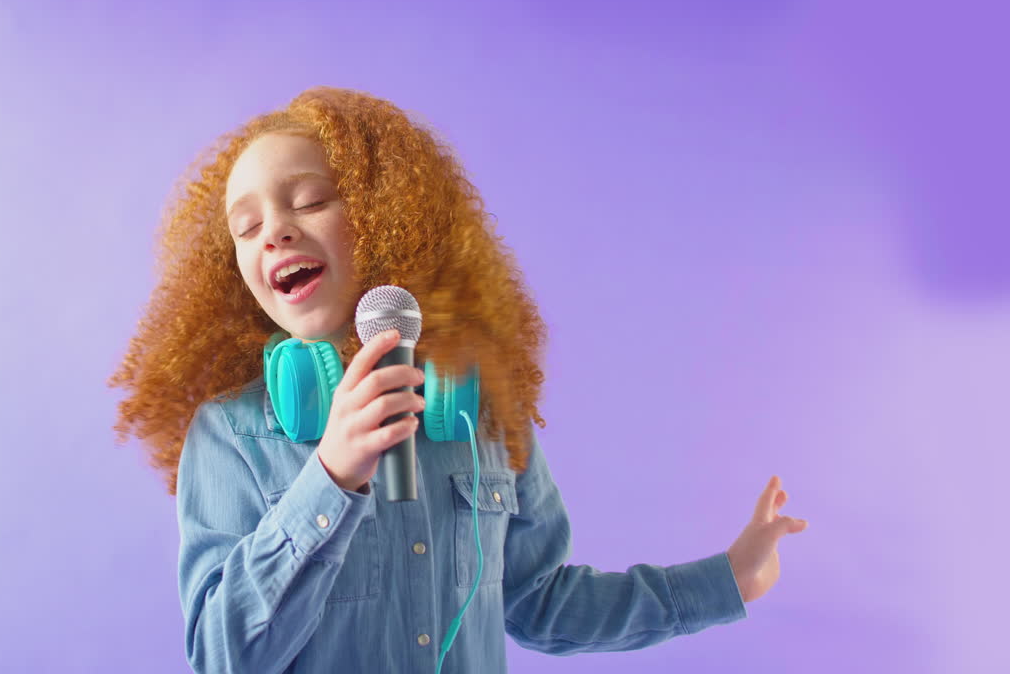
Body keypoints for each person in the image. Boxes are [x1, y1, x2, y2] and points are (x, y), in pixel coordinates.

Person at [107, 86, 809, 673]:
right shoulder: (229, 433)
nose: (274, 233)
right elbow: (223, 657)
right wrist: (332, 476)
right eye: (246, 226)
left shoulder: (477, 413)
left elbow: (541, 603)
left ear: (388, 219)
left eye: (310, 199)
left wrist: (730, 581)